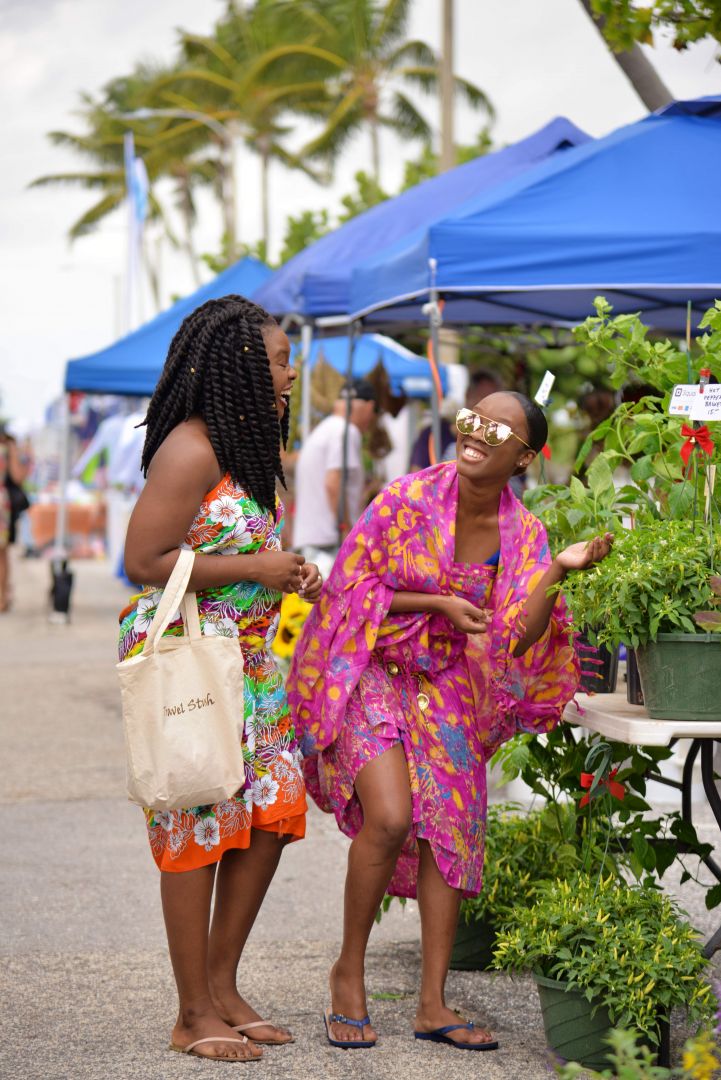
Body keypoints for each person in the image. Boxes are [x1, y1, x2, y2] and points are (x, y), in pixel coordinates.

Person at [287, 391, 612, 1051]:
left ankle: (432, 1003)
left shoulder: (524, 534)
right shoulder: (406, 498)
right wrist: (436, 603)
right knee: (389, 817)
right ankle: (347, 972)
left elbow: (519, 636)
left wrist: (559, 568)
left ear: (524, 457)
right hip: (373, 669)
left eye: (497, 429)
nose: (476, 432)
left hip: (446, 683)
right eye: (472, 418)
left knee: (452, 828)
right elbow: (348, 590)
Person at [119, 295, 323, 1063]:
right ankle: (191, 1012)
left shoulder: (245, 448)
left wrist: (285, 571)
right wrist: (255, 567)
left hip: (251, 662)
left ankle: (222, 985)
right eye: (278, 361)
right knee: (198, 820)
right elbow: (143, 560)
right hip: (191, 657)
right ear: (237, 366)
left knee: (272, 812)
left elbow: (237, 550)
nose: (290, 373)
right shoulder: (191, 448)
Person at [292, 378, 377, 576]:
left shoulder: (325, 429)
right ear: (369, 407)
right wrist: (347, 530)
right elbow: (333, 484)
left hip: (312, 541)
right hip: (329, 544)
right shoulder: (346, 431)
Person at [409, 367, 502, 471]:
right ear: (468, 394)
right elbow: (415, 472)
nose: (488, 407)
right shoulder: (435, 433)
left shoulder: (494, 445)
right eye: (482, 397)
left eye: (494, 402)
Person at [0, 425, 25, 611]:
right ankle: (3, 597)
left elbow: (17, 477)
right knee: (1, 554)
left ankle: (3, 596)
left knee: (1, 553)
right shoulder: (6, 447)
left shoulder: (6, 447)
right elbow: (18, 476)